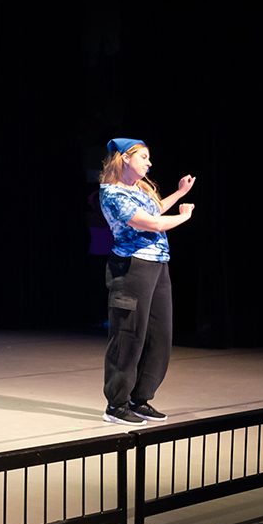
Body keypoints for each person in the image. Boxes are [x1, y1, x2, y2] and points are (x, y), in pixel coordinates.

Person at [98, 138, 194, 426]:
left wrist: (179, 194)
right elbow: (151, 223)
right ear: (125, 159)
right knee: (129, 335)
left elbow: (155, 210)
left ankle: (140, 399)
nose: (149, 163)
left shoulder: (137, 189)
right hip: (132, 268)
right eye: (144, 157)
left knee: (159, 336)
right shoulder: (113, 194)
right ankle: (116, 405)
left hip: (158, 266)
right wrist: (185, 217)